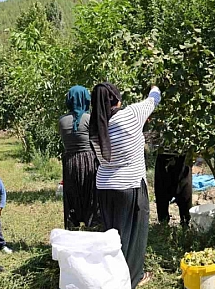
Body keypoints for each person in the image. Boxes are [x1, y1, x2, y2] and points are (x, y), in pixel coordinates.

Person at [90, 83, 161, 288]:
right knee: (134, 235)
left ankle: (112, 274)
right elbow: (153, 99)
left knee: (113, 235)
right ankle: (131, 279)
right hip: (129, 185)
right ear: (115, 99)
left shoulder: (95, 124)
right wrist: (154, 85)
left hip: (104, 185)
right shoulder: (130, 115)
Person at [58, 85, 99, 229]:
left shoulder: (62, 120)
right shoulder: (90, 118)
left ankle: (73, 223)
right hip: (88, 160)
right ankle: (92, 223)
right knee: (90, 194)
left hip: (70, 161)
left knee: (72, 193)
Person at [154, 149, 192, 226]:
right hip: (163, 155)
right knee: (162, 195)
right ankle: (163, 225)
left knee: (185, 194)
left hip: (183, 155)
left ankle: (186, 225)